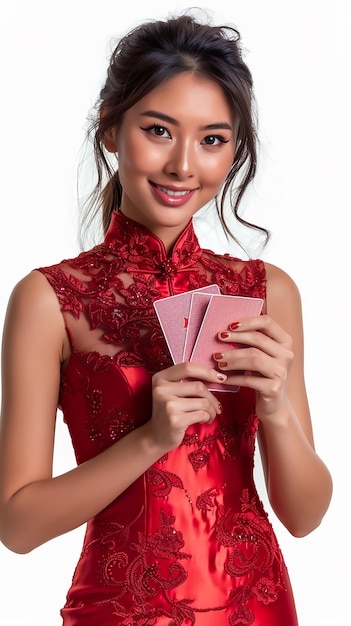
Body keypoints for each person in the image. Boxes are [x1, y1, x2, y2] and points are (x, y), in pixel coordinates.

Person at [0, 11, 332, 626]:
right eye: (158, 130)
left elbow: (307, 517)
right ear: (110, 129)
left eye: (213, 139)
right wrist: (152, 439)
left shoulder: (267, 291)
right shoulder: (49, 300)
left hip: (256, 607)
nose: (184, 165)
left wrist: (276, 407)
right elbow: (17, 525)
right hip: (119, 610)